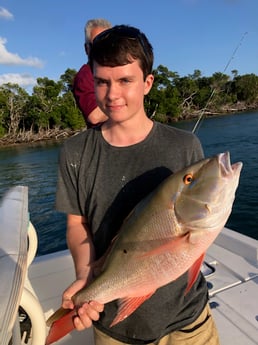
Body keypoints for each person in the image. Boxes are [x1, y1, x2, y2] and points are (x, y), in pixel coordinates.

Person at [56, 25, 220, 345]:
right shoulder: (74, 153)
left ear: (147, 83)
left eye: (125, 80)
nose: (113, 94)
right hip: (115, 328)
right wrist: (85, 276)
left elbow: (196, 235)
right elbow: (77, 224)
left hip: (190, 321)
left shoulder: (185, 146)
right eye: (102, 81)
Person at [73, 18, 112, 127]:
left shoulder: (115, 71)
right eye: (97, 44)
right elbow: (94, 116)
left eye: (107, 43)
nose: (103, 49)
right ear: (87, 49)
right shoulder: (85, 76)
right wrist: (127, 109)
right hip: (103, 139)